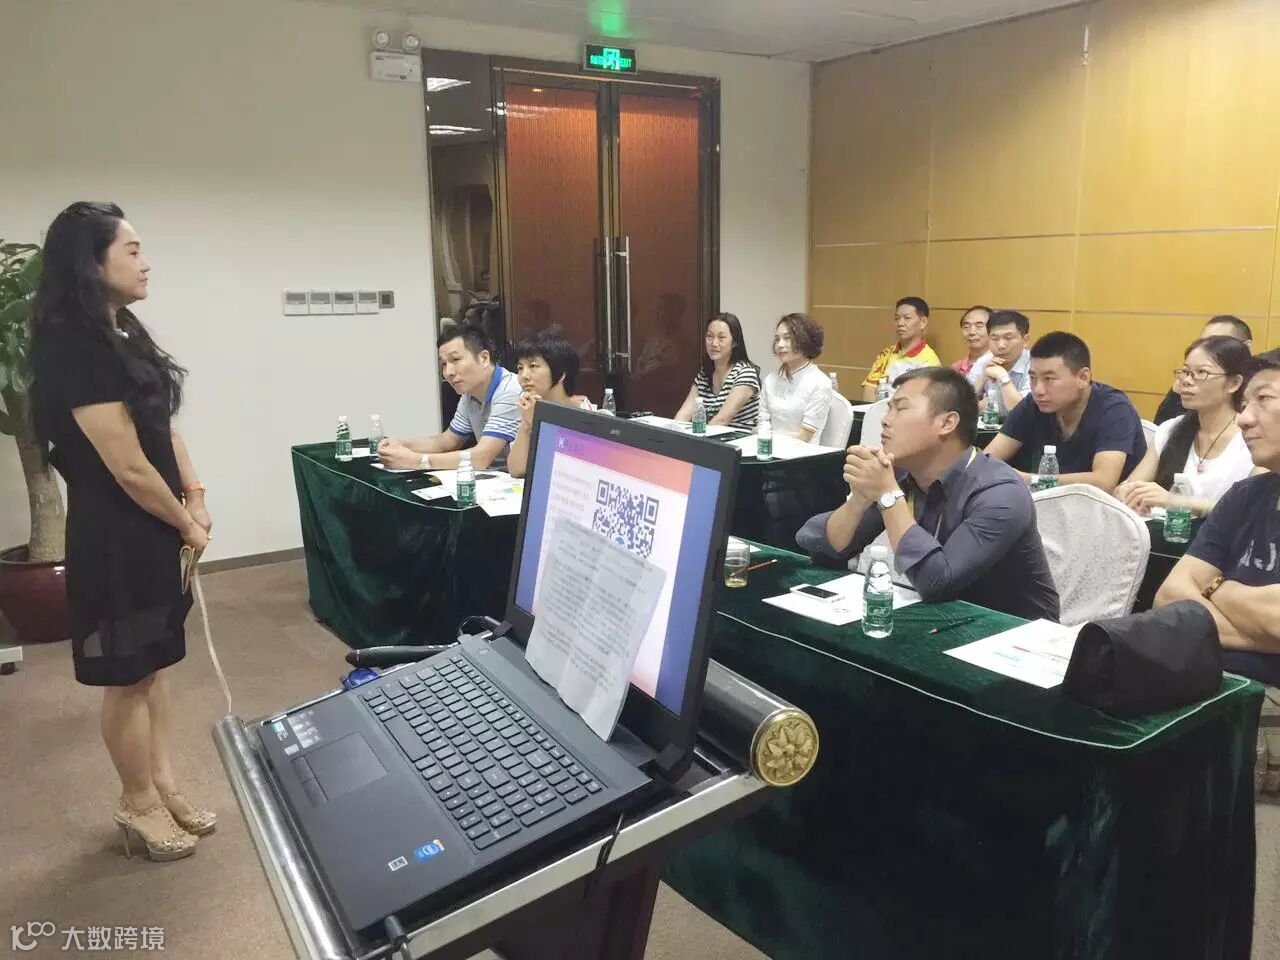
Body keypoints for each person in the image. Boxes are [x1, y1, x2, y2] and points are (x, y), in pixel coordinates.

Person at [30, 202, 215, 862]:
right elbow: (128, 466)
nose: (145, 263)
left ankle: (162, 785)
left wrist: (195, 496)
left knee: (154, 664)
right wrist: (184, 519)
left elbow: (162, 429)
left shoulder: (121, 331)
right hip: (117, 533)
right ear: (91, 262)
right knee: (127, 674)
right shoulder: (72, 346)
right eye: (131, 251)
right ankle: (136, 803)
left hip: (156, 522)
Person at [796, 367, 1059, 621]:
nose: (885, 420)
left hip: (1014, 634)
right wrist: (860, 499)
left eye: (900, 408)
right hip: (944, 622)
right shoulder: (903, 476)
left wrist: (887, 494)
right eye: (888, 409)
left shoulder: (1000, 492)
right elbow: (822, 547)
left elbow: (937, 581)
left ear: (947, 423)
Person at [1154, 354, 1280, 685]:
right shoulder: (1245, 495)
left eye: (1264, 399)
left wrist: (1216, 589)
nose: (1244, 419)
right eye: (1244, 405)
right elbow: (1169, 596)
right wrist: (1261, 635)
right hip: (1206, 676)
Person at [984, 332, 1145, 493]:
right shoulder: (1033, 404)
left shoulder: (1114, 409)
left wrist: (1029, 479)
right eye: (1033, 378)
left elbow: (1104, 482)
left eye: (1049, 379)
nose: (1038, 390)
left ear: (1083, 377)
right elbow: (986, 460)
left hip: (1109, 506)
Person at [1115, 336, 1258, 517]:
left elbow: (1252, 510)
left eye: (1201, 372)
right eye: (1185, 372)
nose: (1187, 381)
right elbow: (1129, 487)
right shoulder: (1171, 429)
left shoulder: (1254, 437)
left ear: (1234, 383)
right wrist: (1126, 491)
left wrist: (1176, 501)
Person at [378, 324, 521, 471]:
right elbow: (448, 441)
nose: (448, 372)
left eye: (456, 359)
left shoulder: (510, 390)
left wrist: (416, 461)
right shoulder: (469, 394)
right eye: (444, 364)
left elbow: (481, 457)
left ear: (484, 358)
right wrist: (402, 445)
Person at [507, 332, 594, 478]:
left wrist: (536, 423)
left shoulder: (585, 413)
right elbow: (516, 470)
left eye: (533, 366)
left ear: (561, 373)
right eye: (520, 368)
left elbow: (567, 470)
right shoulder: (531, 408)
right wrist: (527, 425)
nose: (524, 376)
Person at [1154, 316, 1253, 424]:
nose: (1206, 348)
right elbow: (1161, 423)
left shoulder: (1258, 384)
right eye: (1203, 342)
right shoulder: (1187, 379)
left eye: (1218, 343)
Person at [674, 312, 760, 431]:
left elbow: (722, 420)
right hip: (710, 438)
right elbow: (683, 415)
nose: (714, 343)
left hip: (738, 440)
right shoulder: (705, 374)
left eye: (721, 338)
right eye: (710, 336)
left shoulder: (745, 373)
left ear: (734, 342)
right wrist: (671, 434)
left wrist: (698, 440)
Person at [762, 313, 832, 443]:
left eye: (787, 338)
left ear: (805, 341)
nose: (780, 344)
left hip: (802, 452)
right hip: (767, 447)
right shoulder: (770, 379)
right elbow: (761, 423)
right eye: (777, 339)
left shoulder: (820, 382)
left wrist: (767, 435)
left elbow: (804, 436)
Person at [861, 296, 941, 401]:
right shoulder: (886, 354)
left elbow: (922, 402)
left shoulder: (929, 361)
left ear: (923, 322)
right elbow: (869, 388)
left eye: (907, 318)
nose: (900, 323)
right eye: (897, 318)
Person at [966, 309, 1032, 417]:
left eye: (1008, 338)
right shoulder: (984, 361)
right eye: (995, 338)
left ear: (1025, 340)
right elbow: (960, 404)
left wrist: (1003, 377)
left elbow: (1023, 413)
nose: (1001, 345)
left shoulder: (1036, 364)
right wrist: (983, 378)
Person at [951, 305, 991, 378]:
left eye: (979, 326)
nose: (971, 332)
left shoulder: (999, 364)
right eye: (966, 327)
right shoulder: (956, 369)